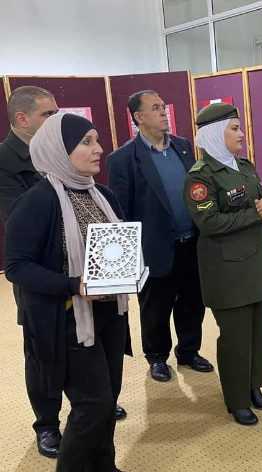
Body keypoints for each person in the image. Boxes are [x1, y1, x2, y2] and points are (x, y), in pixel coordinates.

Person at [0, 86, 126, 460]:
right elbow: (16, 266)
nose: (99, 149)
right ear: (59, 150)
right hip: (66, 316)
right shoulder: (37, 201)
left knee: (108, 398)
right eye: (87, 142)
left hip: (109, 311)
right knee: (92, 405)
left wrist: (132, 268)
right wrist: (74, 285)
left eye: (96, 140)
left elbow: (116, 247)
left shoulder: (102, 194)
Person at [107, 90, 212, 382]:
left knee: (192, 302)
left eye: (163, 107)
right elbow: (121, 212)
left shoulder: (182, 146)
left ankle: (189, 351)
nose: (164, 112)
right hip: (154, 247)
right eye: (155, 108)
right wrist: (131, 257)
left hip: (191, 242)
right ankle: (157, 357)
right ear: (138, 117)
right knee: (155, 308)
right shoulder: (123, 159)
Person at [183, 103, 262, 426]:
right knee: (235, 337)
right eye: (234, 128)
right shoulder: (200, 176)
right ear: (213, 133)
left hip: (256, 262)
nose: (241, 134)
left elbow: (261, 199)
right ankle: (237, 400)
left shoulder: (244, 166)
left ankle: (253, 387)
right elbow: (209, 222)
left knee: (257, 331)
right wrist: (256, 214)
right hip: (227, 269)